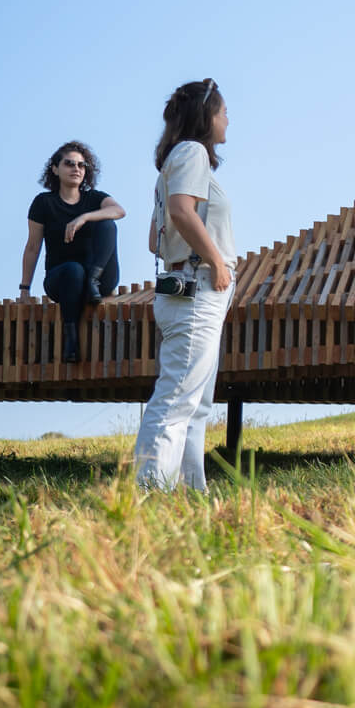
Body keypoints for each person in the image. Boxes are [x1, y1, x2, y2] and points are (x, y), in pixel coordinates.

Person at [132, 79, 237, 492]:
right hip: (198, 284)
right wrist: (214, 259)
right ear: (206, 116)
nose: (228, 119)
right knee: (177, 399)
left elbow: (153, 237)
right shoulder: (193, 153)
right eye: (223, 111)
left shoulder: (172, 163)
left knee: (194, 404)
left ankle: (193, 493)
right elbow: (180, 211)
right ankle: (150, 494)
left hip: (183, 286)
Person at [19, 141, 124, 363]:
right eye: (69, 164)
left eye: (82, 165)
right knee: (74, 270)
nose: (77, 169)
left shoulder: (94, 198)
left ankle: (93, 280)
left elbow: (119, 211)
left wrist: (84, 217)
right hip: (63, 281)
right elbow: (32, 246)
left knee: (108, 224)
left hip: (98, 283)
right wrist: (25, 289)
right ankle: (71, 339)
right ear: (55, 169)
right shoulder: (44, 203)